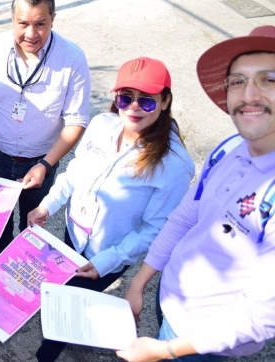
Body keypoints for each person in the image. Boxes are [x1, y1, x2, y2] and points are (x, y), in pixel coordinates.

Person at [118, 26, 275, 362]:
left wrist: (164, 350)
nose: (249, 95)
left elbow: (259, 318)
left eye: (269, 79)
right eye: (238, 81)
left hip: (205, 341)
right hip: (172, 298)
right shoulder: (230, 147)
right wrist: (139, 282)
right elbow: (185, 217)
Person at [27, 57, 195, 361]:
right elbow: (75, 172)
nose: (133, 107)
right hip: (74, 235)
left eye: (146, 101)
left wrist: (108, 261)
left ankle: (45, 355)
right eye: (125, 97)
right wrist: (48, 204)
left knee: (68, 308)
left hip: (107, 254)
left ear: (165, 100)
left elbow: (156, 229)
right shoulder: (102, 124)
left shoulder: (175, 164)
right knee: (62, 295)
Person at [0, 0, 91, 258]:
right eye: (23, 24)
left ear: (53, 19)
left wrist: (46, 164)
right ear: (12, 19)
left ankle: (21, 279)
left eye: (41, 24)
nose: (31, 34)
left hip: (41, 161)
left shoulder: (73, 58)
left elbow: (76, 120)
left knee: (33, 227)